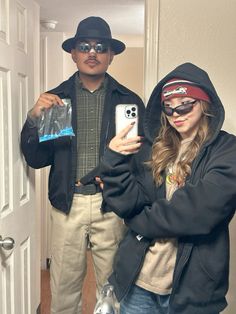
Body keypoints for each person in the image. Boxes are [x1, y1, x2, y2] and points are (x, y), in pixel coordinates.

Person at [20, 16, 145, 314]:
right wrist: (33, 118)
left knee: (113, 289)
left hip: (111, 205)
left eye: (100, 47)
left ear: (110, 55)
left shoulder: (128, 100)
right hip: (67, 205)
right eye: (84, 46)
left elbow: (143, 160)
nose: (92, 52)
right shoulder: (55, 100)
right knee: (63, 291)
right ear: (73, 53)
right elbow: (37, 159)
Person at [100, 62, 236, 314]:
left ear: (205, 103)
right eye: (169, 107)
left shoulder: (228, 150)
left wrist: (138, 221)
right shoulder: (154, 149)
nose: (176, 113)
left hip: (193, 290)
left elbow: (196, 213)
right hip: (138, 283)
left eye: (185, 104)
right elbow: (126, 202)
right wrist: (113, 159)